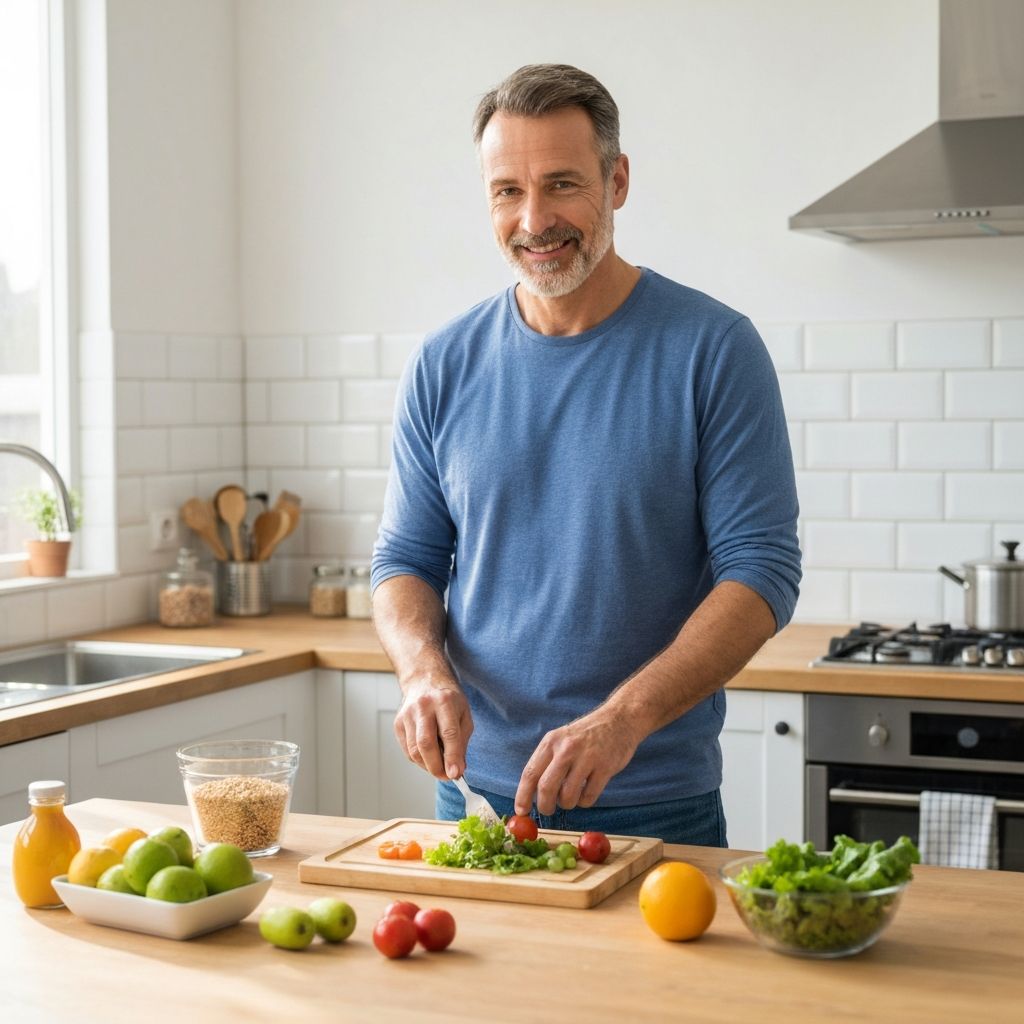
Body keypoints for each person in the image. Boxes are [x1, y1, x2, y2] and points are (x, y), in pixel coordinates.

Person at [370, 63, 801, 845]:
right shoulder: (443, 363)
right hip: (476, 801)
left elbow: (762, 571)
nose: (534, 219)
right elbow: (405, 557)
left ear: (617, 180)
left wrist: (621, 721)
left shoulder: (714, 350)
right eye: (507, 191)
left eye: (562, 184)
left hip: (654, 802)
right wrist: (421, 672)